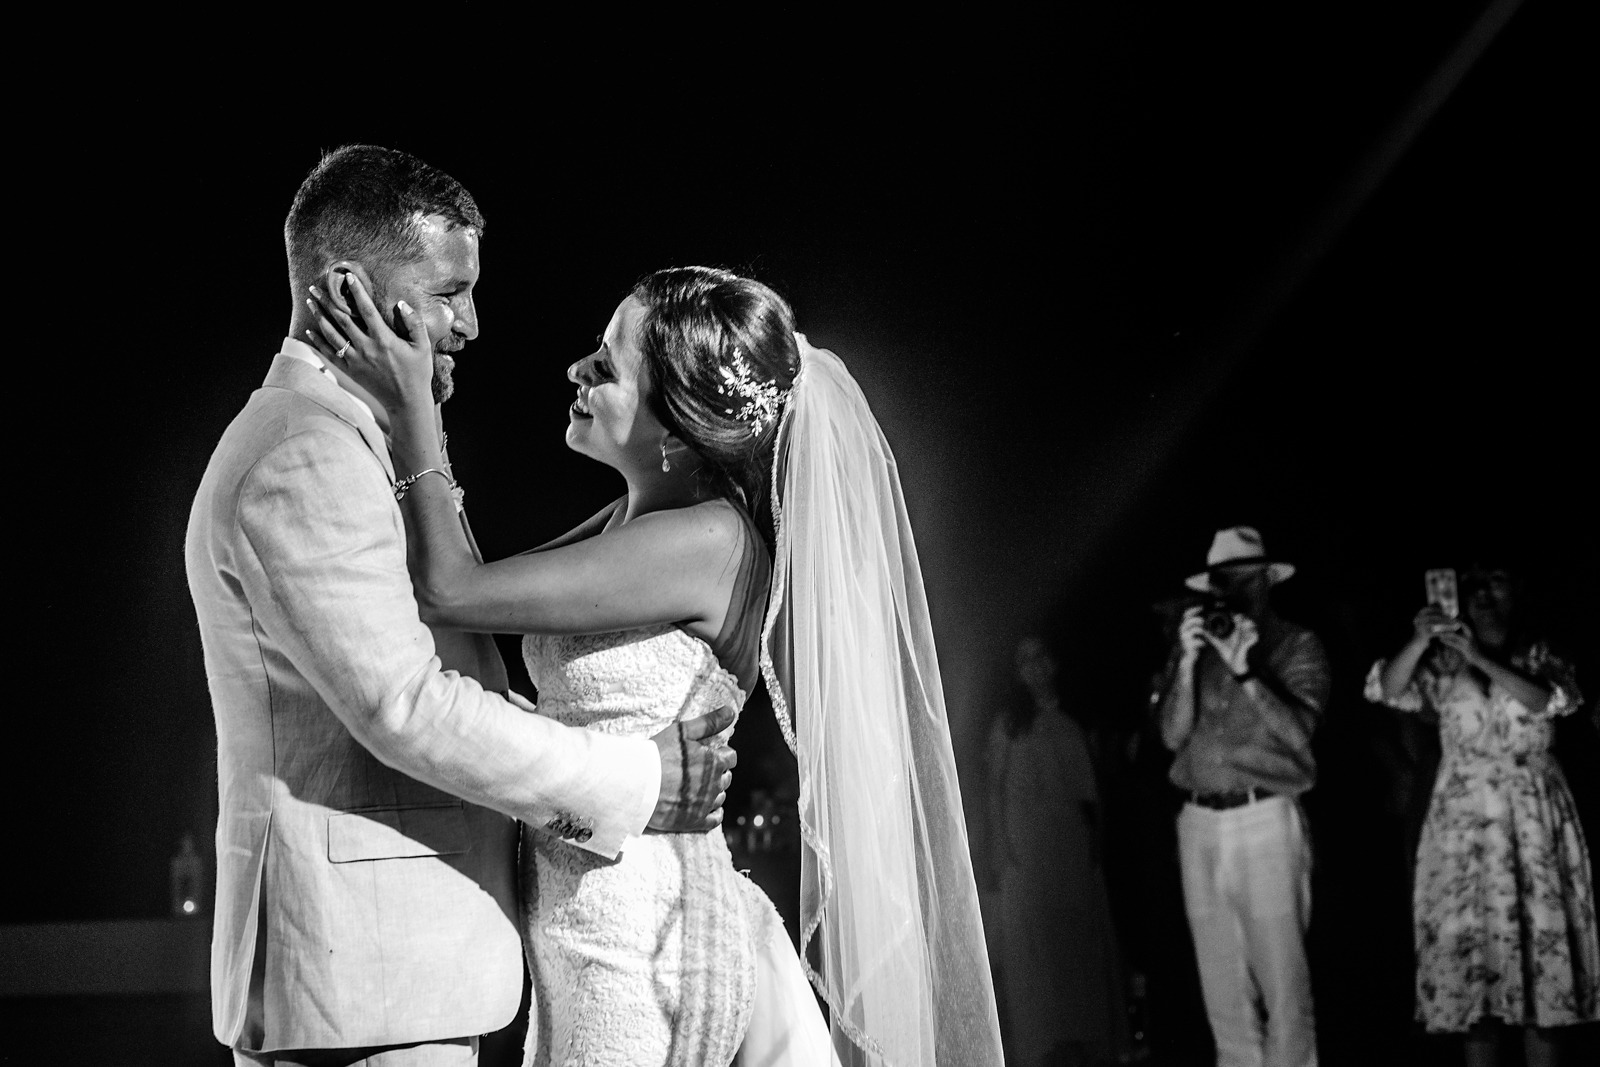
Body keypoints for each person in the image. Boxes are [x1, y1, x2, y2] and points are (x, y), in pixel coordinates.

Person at [308, 263, 1004, 1066]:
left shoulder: (708, 539)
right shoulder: (635, 521)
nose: (576, 371)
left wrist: (413, 410)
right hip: (598, 914)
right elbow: (474, 594)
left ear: (676, 433)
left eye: (606, 366)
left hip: (639, 935)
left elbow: (448, 588)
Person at [184, 146, 734, 1067]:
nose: (472, 324)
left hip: (401, 982)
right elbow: (407, 704)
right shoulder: (302, 455)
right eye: (449, 293)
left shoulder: (362, 442)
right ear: (349, 288)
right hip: (362, 985)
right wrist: (633, 778)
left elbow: (439, 671)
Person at [1365, 562, 1599, 1066]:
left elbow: (1547, 700)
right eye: (1471, 584)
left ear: (1516, 588)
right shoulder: (1439, 662)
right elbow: (1387, 689)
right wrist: (1419, 640)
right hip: (1464, 820)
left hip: (1531, 817)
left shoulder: (1540, 651)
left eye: (1495, 580)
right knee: (1476, 971)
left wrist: (1480, 659)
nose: (1482, 594)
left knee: (1539, 969)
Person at [1154, 526, 1329, 1067]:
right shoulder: (1195, 645)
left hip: (1265, 816)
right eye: (1222, 581)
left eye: (1244, 579)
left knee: (1282, 981)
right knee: (1221, 986)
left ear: (1266, 580)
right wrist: (1185, 663)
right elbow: (1170, 736)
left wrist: (1247, 669)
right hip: (1199, 822)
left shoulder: (1297, 644)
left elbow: (1299, 733)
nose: (1232, 591)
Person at [986, 634, 1128, 1066]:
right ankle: (1039, 1042)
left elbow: (1091, 795)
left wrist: (1096, 848)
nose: (1035, 668)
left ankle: (1081, 1035)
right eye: (1024, 661)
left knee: (1076, 941)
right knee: (1032, 947)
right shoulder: (1007, 726)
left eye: (1041, 657)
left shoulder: (1067, 721)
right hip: (1025, 850)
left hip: (1068, 846)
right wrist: (997, 851)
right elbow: (992, 793)